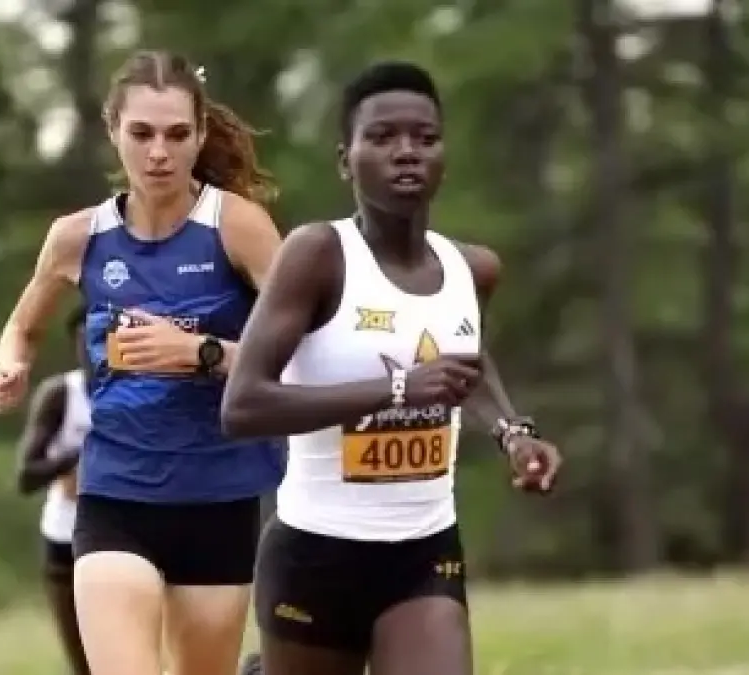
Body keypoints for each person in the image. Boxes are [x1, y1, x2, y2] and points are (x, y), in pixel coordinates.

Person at [220, 61, 564, 675]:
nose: (407, 152)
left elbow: (470, 367)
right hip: (316, 554)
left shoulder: (473, 268)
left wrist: (513, 433)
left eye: (425, 138)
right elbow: (242, 406)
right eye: (381, 138)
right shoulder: (317, 256)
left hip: (424, 554)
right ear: (346, 160)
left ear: (443, 158)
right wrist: (398, 388)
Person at [0, 49, 285, 675]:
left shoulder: (240, 228)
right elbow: (22, 328)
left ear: (200, 135)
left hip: (219, 497)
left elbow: (301, 350)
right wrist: (9, 368)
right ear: (112, 130)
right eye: (141, 133)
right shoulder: (78, 237)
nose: (159, 153)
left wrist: (199, 353)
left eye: (176, 135)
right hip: (117, 492)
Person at [14, 307, 93, 675]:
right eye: (83, 341)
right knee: (81, 659)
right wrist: (73, 463)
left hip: (126, 535)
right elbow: (26, 476)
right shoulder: (62, 394)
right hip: (65, 540)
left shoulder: (139, 394)